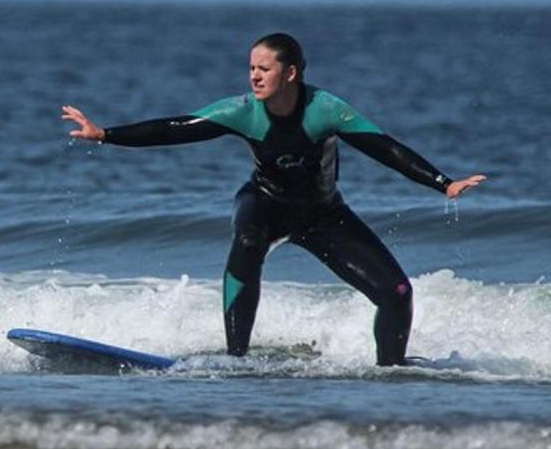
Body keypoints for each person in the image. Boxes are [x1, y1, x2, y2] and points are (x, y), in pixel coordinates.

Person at [61, 33, 486, 366]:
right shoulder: (243, 111)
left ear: (291, 73)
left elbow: (383, 147)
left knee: (397, 293)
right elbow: (176, 128)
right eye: (251, 68)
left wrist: (442, 182)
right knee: (248, 239)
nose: (254, 76)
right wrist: (106, 134)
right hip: (264, 202)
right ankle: (235, 358)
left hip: (324, 214)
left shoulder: (326, 109)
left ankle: (391, 371)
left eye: (264, 68)